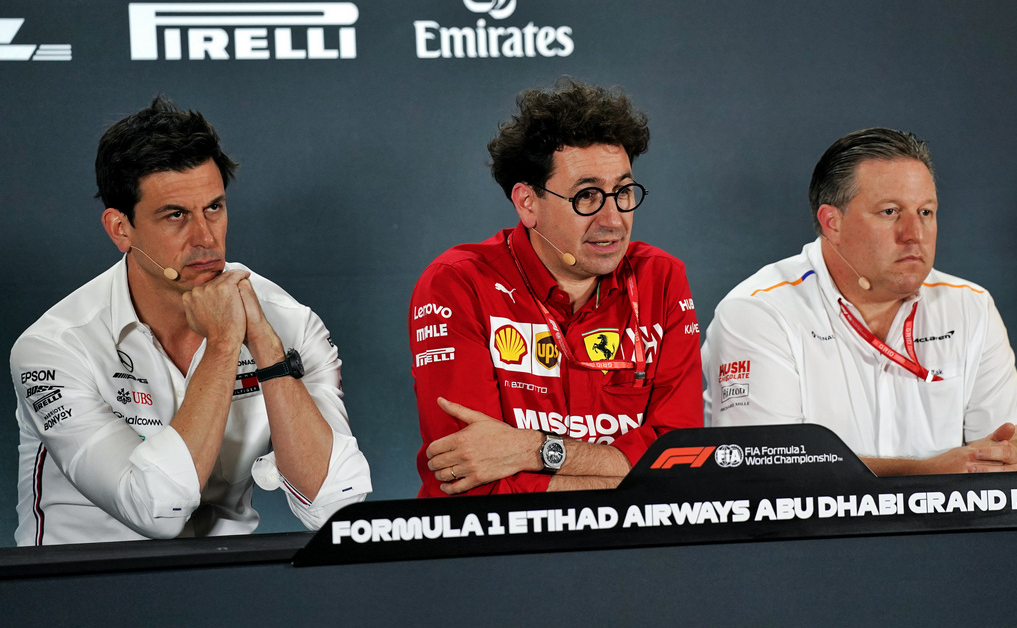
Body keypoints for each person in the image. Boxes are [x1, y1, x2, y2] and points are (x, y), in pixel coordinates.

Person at [10, 97, 371, 545]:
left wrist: (266, 350)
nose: (205, 238)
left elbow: (336, 507)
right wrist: (222, 347)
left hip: (221, 586)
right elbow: (156, 511)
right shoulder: (53, 347)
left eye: (214, 208)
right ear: (120, 229)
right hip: (80, 588)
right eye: (176, 215)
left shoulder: (288, 323)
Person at [409, 80, 701, 497]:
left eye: (622, 192)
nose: (614, 220)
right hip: (495, 550)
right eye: (587, 196)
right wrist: (630, 477)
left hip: (634, 548)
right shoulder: (458, 283)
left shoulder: (662, 279)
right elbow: (472, 479)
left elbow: (682, 465)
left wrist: (534, 450)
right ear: (527, 203)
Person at [703, 128, 1017, 474]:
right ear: (831, 222)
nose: (914, 234)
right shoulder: (759, 311)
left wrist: (1010, 460)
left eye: (926, 212)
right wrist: (926, 475)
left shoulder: (971, 306)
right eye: (890, 212)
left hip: (945, 528)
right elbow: (763, 467)